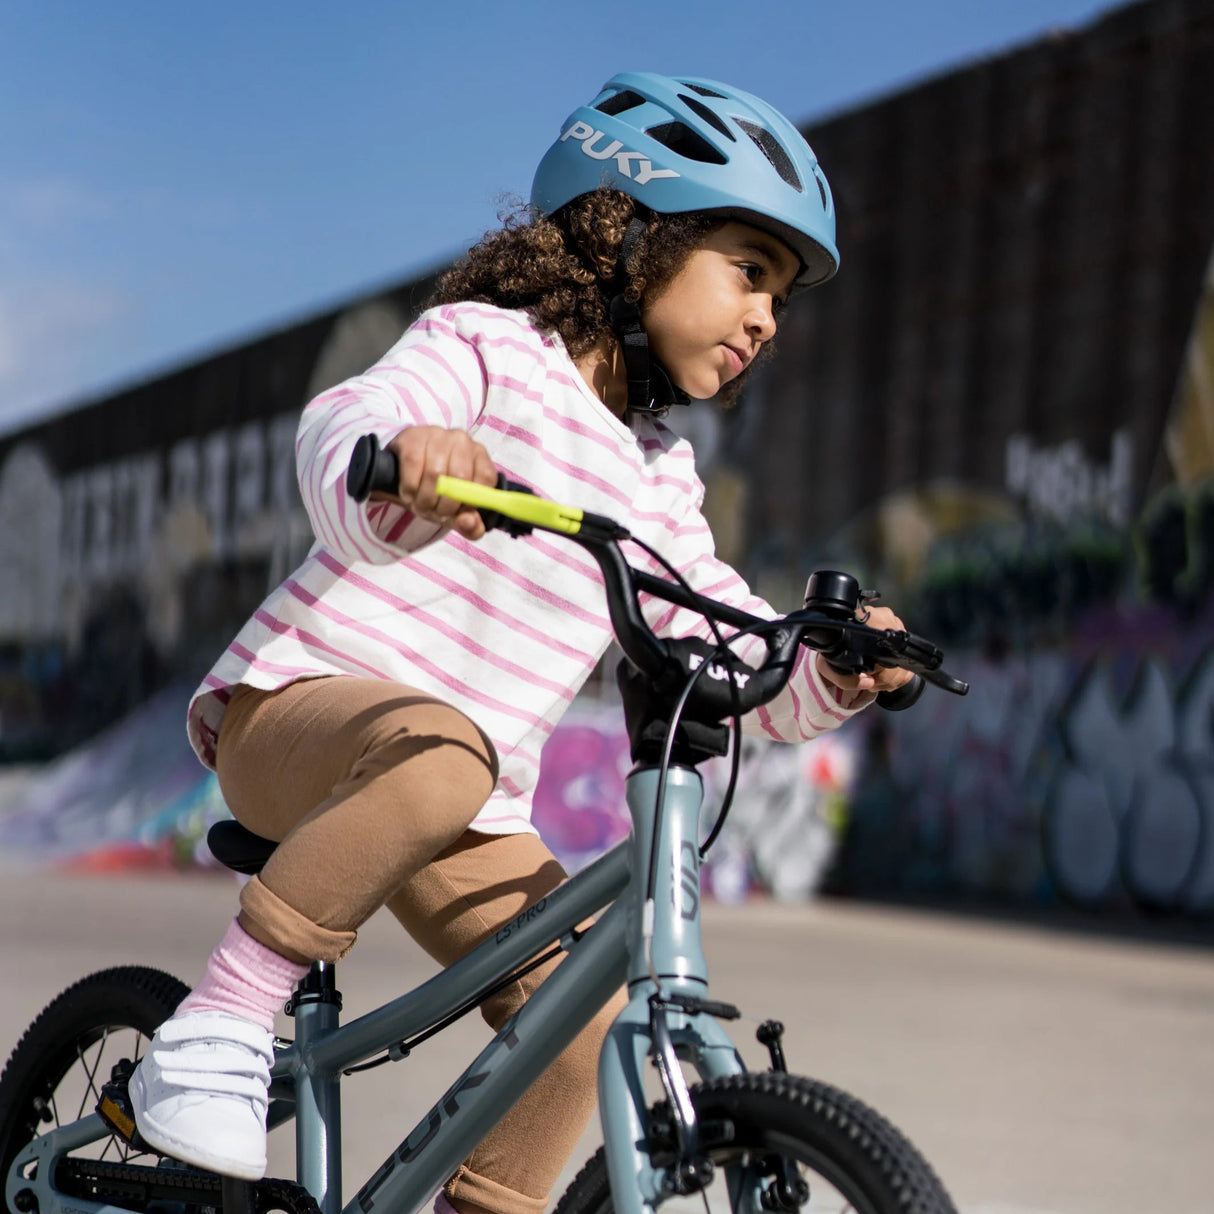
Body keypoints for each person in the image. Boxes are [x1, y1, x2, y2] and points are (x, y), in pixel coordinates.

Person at [130, 72, 913, 1214]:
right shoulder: (486, 348)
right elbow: (341, 429)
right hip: (296, 711)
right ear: (633, 230)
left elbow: (718, 635)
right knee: (447, 753)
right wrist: (409, 452)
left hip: (459, 796)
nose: (764, 320)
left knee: (579, 1013)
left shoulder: (657, 475)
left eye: (782, 300)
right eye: (749, 270)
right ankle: (218, 1022)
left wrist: (828, 665)